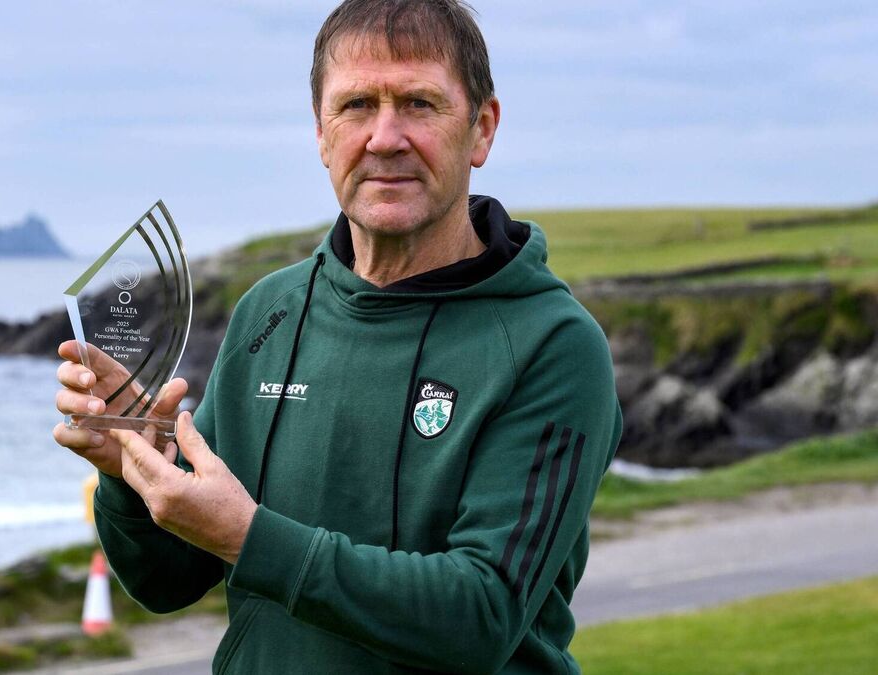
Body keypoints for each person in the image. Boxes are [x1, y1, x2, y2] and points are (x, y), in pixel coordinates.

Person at [53, 0, 622, 672]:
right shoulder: (270, 312)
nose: (385, 138)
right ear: (322, 133)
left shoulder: (551, 344)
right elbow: (165, 581)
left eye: (419, 103)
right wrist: (132, 469)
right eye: (356, 106)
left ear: (482, 129)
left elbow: (481, 616)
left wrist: (250, 538)